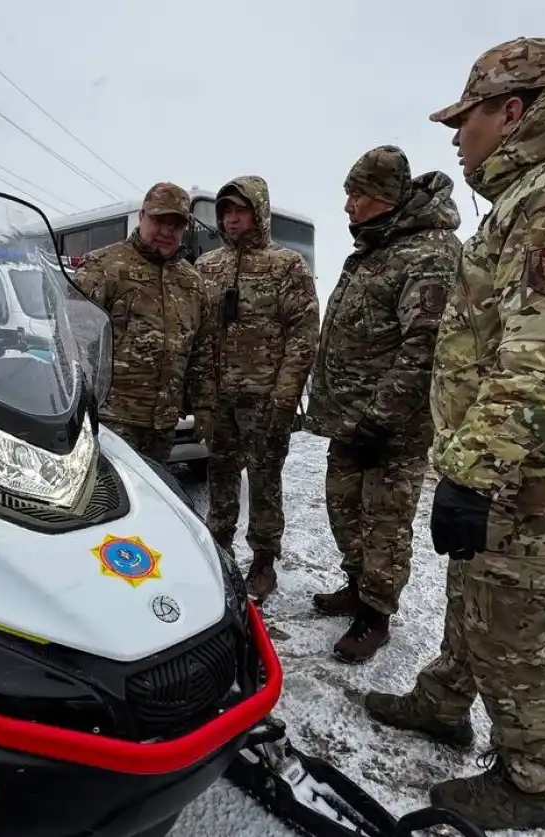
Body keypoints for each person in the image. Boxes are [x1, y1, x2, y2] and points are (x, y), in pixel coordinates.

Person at [362, 37, 545, 831]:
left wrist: (475, 470)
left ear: (512, 111)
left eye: (467, 117)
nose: (456, 136)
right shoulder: (533, 193)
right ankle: (446, 698)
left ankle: (527, 779)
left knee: (512, 626)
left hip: (529, 470)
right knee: (472, 596)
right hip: (506, 459)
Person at [304, 146, 461, 663]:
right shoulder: (377, 247)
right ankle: (356, 584)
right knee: (345, 510)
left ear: (386, 197)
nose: (348, 205)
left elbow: (426, 345)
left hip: (391, 428)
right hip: (352, 420)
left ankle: (375, 614)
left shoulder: (430, 253)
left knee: (385, 521)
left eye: (358, 194)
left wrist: (382, 418)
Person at [194, 176, 318, 600]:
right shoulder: (207, 267)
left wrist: (284, 398)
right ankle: (218, 549)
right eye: (226, 212)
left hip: (264, 400)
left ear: (259, 213)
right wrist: (202, 398)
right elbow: (198, 334)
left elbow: (303, 336)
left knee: (264, 481)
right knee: (220, 476)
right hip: (219, 398)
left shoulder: (286, 265)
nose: (232, 220)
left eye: (240, 211)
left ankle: (264, 561)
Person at [73, 182, 217, 461]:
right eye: (159, 220)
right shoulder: (102, 267)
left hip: (162, 425)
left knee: (153, 498)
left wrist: (204, 407)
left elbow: (202, 351)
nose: (166, 231)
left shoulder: (193, 283)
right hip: (111, 421)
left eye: (175, 225)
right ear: (142, 217)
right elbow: (72, 342)